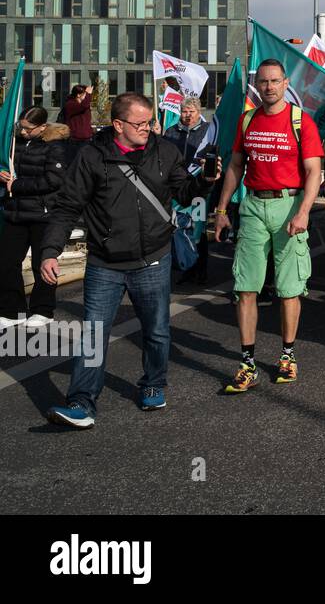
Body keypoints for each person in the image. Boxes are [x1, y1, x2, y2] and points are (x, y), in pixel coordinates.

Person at [39, 93, 219, 428]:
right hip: (104, 263)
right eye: (139, 124)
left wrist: (205, 182)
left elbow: (184, 192)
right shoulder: (92, 156)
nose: (147, 129)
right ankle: (81, 402)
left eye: (149, 122)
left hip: (153, 259)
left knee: (156, 331)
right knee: (93, 333)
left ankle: (153, 383)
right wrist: (50, 251)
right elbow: (67, 207)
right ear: (118, 124)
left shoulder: (165, 151)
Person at [212, 59, 325, 393]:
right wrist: (221, 208)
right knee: (245, 287)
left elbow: (313, 173)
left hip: (288, 205)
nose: (269, 87)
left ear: (285, 82)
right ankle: (247, 363)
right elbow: (235, 166)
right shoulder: (247, 120)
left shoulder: (300, 121)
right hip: (253, 207)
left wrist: (303, 212)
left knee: (290, 288)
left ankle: (287, 355)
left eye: (275, 81)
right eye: (263, 82)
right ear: (256, 84)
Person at [0, 108, 70, 331]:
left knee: (42, 263)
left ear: (42, 127)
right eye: (21, 126)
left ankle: (43, 309)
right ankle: (13, 310)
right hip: (15, 212)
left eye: (28, 128)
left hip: (43, 214)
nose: (23, 131)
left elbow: (54, 181)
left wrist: (18, 185)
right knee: (6, 261)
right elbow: (9, 166)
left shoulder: (55, 147)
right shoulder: (15, 143)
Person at [162, 97, 219, 286]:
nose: (187, 115)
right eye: (184, 111)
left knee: (197, 230)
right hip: (176, 190)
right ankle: (185, 266)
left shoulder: (207, 132)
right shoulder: (171, 132)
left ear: (199, 112)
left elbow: (213, 154)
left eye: (191, 112)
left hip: (198, 190)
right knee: (177, 227)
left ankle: (200, 269)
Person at [58, 84, 93, 152]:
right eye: (85, 94)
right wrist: (88, 94)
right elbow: (83, 106)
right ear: (78, 95)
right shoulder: (70, 104)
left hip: (86, 138)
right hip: (75, 140)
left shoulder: (85, 105)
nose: (87, 96)